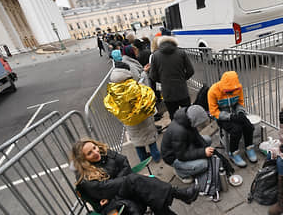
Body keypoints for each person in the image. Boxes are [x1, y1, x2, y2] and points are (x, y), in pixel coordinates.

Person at [71, 139, 199, 215]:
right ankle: (180, 194)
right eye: (90, 153)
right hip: (112, 202)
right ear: (83, 159)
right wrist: (124, 179)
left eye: (94, 147)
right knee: (138, 181)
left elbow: (125, 163)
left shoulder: (104, 152)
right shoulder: (85, 177)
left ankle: (181, 195)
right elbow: (106, 189)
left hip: (122, 190)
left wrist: (120, 180)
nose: (96, 152)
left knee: (147, 189)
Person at [104, 62, 161, 163]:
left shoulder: (112, 91)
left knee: (137, 142)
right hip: (144, 120)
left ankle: (144, 160)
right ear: (126, 72)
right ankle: (156, 157)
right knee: (150, 139)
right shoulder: (135, 86)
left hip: (130, 122)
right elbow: (147, 99)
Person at [208, 71, 257, 168]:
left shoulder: (238, 88)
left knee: (249, 126)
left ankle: (249, 147)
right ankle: (233, 153)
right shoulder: (213, 91)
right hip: (221, 117)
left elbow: (240, 102)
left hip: (235, 113)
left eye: (232, 91)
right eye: (228, 91)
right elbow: (213, 112)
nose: (231, 93)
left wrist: (240, 112)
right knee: (236, 130)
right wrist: (229, 117)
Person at [161, 105, 214, 183]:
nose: (200, 125)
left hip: (183, 146)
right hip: (173, 157)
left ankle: (187, 166)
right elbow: (182, 156)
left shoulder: (187, 119)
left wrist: (204, 148)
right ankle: (180, 173)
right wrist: (203, 152)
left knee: (207, 140)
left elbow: (197, 137)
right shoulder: (179, 132)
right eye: (200, 123)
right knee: (203, 164)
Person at [149, 36, 194, 120]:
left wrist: (163, 80)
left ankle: (177, 131)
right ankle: (190, 131)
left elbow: (152, 76)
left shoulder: (155, 55)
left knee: (173, 115)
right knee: (187, 114)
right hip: (182, 90)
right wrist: (183, 79)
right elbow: (190, 71)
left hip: (167, 92)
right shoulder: (181, 52)